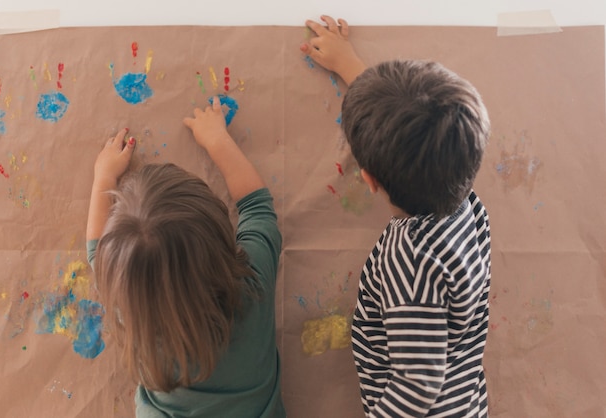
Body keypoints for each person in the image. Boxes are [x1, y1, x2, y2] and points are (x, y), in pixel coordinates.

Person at [302, 16, 492, 417]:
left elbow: (417, 384)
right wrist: (353, 68)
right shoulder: (464, 197)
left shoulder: (408, 261)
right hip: (464, 394)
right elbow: (419, 131)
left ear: (368, 179)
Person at [85, 96, 286, 418]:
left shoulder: (128, 307)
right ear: (220, 235)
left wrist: (104, 179)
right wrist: (218, 140)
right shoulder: (253, 284)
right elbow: (257, 207)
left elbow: (96, 252)